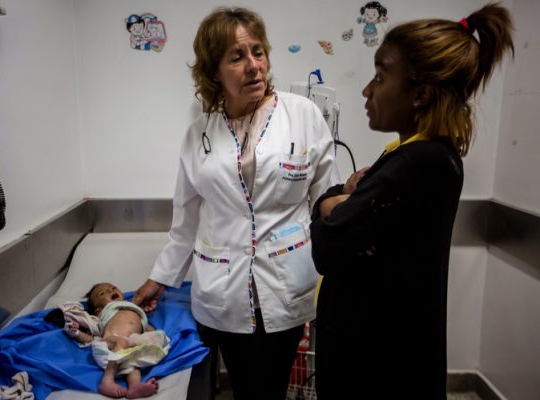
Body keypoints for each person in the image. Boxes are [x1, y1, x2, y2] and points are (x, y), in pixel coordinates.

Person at [310, 3, 514, 399]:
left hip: (381, 369)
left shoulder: (421, 163)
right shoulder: (413, 156)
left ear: (420, 93)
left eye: (380, 77)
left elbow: (328, 245)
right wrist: (342, 205)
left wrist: (327, 205)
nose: (367, 90)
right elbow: (344, 226)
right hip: (376, 357)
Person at [132, 6, 335, 400]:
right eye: (237, 57)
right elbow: (185, 222)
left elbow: (325, 202)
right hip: (220, 290)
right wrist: (159, 278)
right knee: (239, 386)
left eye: (258, 52)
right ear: (213, 72)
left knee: (268, 389)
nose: (254, 66)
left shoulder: (303, 115)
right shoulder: (198, 134)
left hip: (284, 283)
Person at [68, 283, 170, 399]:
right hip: (111, 341)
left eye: (113, 288)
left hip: (131, 343)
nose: (110, 291)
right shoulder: (104, 312)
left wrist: (153, 335)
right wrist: (77, 333)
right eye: (103, 293)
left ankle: (135, 386)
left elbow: (145, 326)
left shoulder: (134, 307)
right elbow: (93, 338)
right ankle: (107, 381)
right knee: (122, 342)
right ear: (98, 311)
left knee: (133, 361)